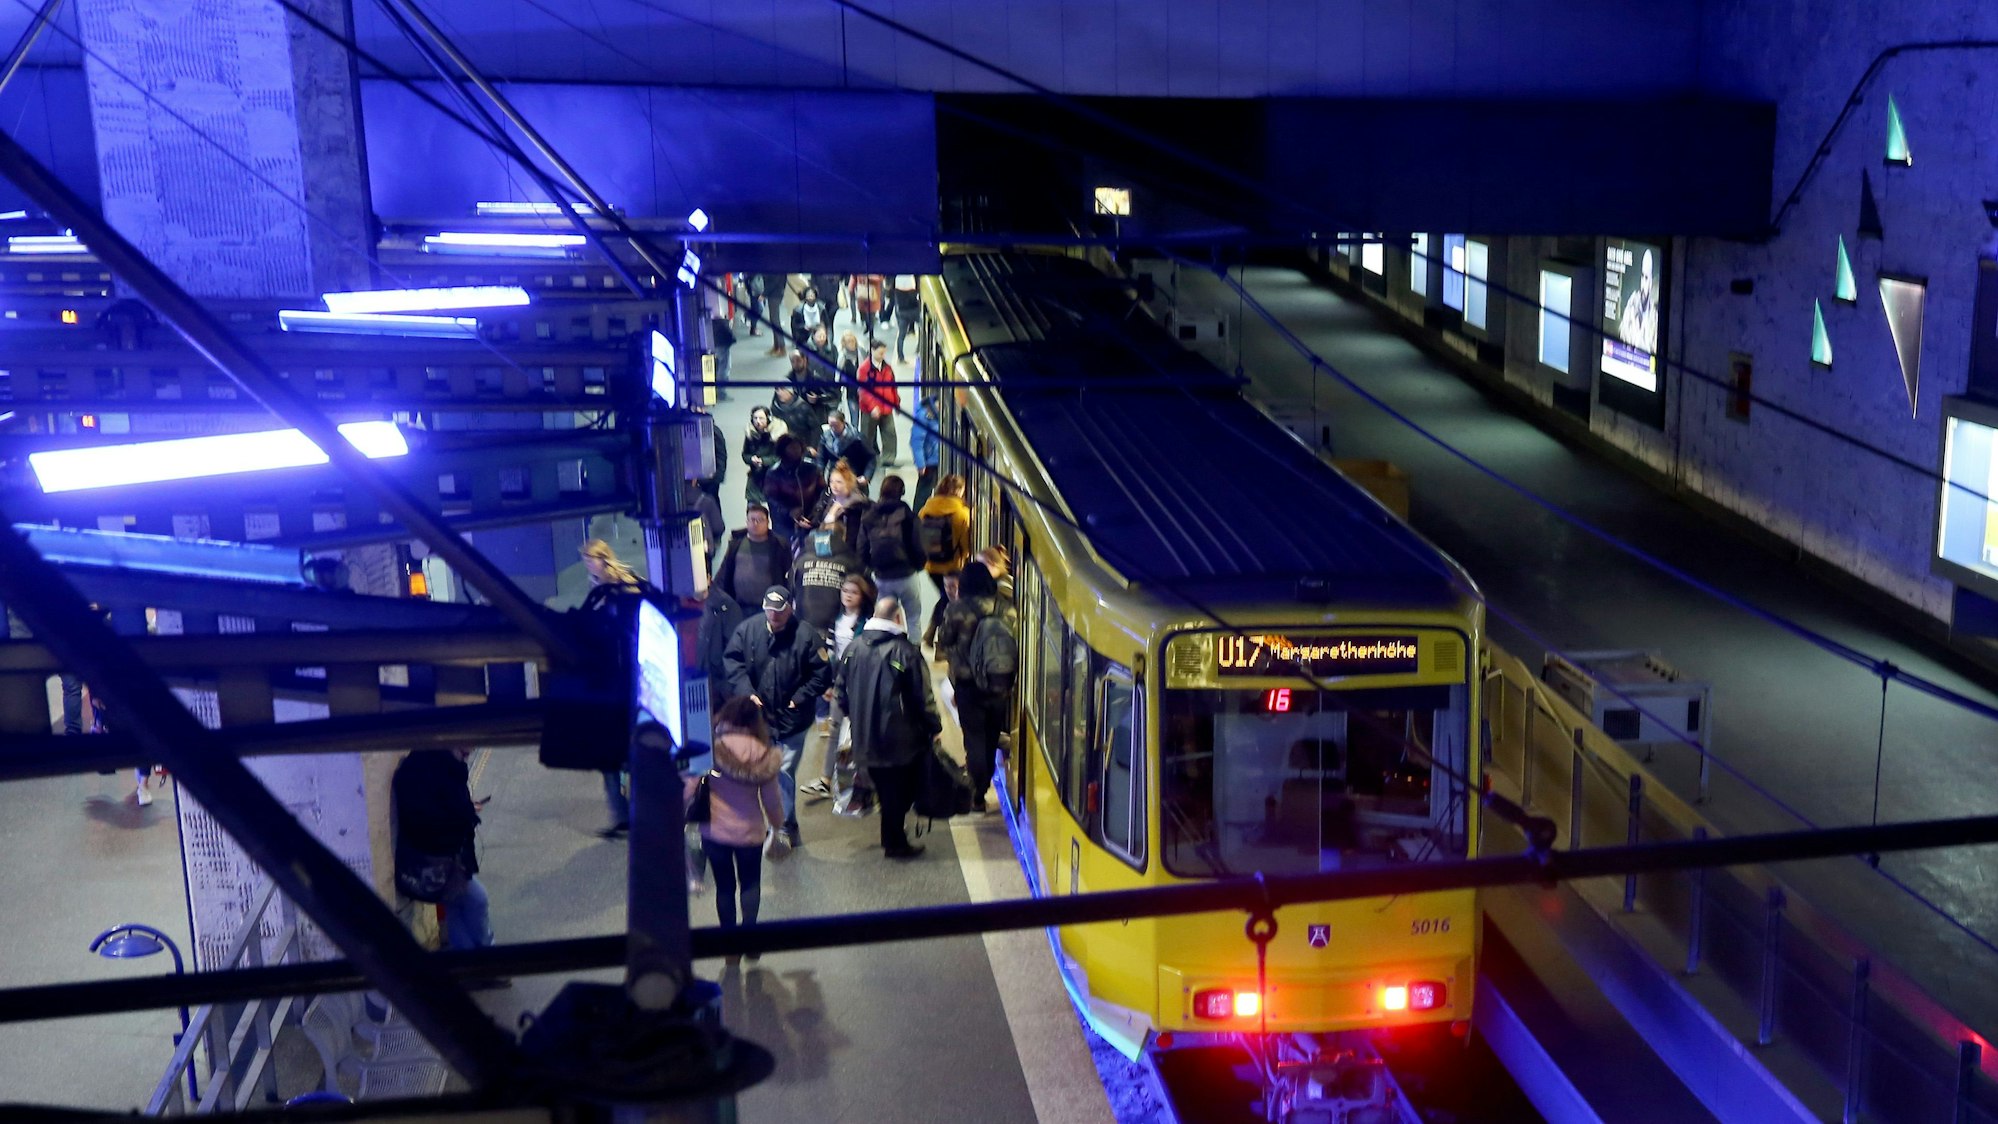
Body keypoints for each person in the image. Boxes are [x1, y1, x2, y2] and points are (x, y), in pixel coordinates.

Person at [722, 586, 830, 845]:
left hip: (792, 721)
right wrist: (746, 692)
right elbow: (733, 662)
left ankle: (784, 826)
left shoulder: (806, 637)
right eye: (769, 609)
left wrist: (799, 698)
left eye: (779, 610)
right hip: (759, 720)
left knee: (783, 771)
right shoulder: (748, 630)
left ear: (790, 608)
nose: (773, 615)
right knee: (759, 770)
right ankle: (772, 821)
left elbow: (822, 673)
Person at [840, 595, 944, 858]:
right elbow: (922, 697)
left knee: (888, 790)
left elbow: (841, 694)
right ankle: (895, 843)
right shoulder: (906, 651)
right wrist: (933, 726)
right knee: (898, 792)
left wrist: (858, 716)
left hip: (864, 736)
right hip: (899, 739)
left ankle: (893, 839)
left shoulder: (853, 649)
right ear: (898, 618)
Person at [690, 696, 787, 946]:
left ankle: (730, 947)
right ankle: (750, 939)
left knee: (724, 889)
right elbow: (772, 801)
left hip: (715, 832)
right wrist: (777, 825)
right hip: (750, 832)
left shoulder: (712, 748)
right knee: (750, 885)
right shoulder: (762, 752)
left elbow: (688, 788)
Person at [392, 747, 495, 953]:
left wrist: (465, 808)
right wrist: (465, 815)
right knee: (478, 900)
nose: (470, 752)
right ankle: (489, 959)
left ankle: (468, 966)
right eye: (465, 749)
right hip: (439, 861)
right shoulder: (436, 768)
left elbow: (445, 804)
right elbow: (432, 815)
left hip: (442, 860)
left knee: (455, 907)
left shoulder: (439, 765)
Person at [936, 561, 1017, 813]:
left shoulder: (956, 610)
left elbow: (944, 640)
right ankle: (982, 782)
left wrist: (957, 655)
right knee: (991, 735)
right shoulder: (1006, 609)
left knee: (974, 737)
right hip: (998, 682)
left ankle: (978, 793)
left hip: (968, 684)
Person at [579, 540, 647, 835]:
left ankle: (638, 810)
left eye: (590, 560)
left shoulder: (626, 587)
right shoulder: (595, 587)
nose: (587, 566)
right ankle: (622, 814)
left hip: (629, 677)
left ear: (603, 559)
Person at [801, 572, 874, 801]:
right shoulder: (836, 620)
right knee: (835, 731)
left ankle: (866, 782)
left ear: (863, 596)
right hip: (840, 683)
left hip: (861, 685)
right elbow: (831, 655)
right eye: (845, 591)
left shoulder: (868, 623)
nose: (848, 596)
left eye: (854, 592)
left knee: (861, 733)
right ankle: (825, 780)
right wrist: (828, 683)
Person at [916, 473, 973, 647]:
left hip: (931, 565)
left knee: (944, 597)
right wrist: (965, 557)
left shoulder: (925, 509)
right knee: (948, 600)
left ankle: (931, 632)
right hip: (952, 565)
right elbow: (965, 544)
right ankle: (940, 641)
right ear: (958, 491)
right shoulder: (962, 513)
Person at [860, 475, 925, 620]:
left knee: (884, 617)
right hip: (907, 574)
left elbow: (862, 548)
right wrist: (917, 566)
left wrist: (872, 566)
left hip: (882, 576)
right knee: (913, 617)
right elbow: (918, 545)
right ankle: (914, 642)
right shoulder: (909, 516)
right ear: (901, 492)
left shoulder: (869, 516)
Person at [714, 504, 795, 616]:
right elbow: (724, 572)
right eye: (752, 520)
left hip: (769, 609)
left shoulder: (779, 546)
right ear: (747, 522)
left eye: (760, 520)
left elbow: (789, 576)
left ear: (768, 522)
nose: (755, 524)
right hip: (738, 607)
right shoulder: (736, 544)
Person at [787, 517, 865, 632]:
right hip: (835, 626)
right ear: (843, 536)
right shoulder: (851, 561)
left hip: (803, 622)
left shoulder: (801, 558)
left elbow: (791, 587)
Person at [762, 435, 823, 550]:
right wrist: (790, 512)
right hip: (785, 525)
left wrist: (817, 513)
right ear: (783, 450)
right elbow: (772, 500)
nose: (796, 450)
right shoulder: (774, 473)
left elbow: (823, 493)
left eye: (798, 447)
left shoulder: (812, 468)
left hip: (811, 521)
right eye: (791, 447)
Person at [806, 459, 873, 550]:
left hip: (846, 549)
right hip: (827, 545)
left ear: (848, 483)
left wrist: (835, 509)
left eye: (839, 482)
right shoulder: (829, 497)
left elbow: (853, 537)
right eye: (831, 481)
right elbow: (820, 518)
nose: (834, 485)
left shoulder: (856, 505)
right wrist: (810, 522)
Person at [857, 340, 899, 467]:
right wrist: (872, 407)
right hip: (870, 410)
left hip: (886, 407)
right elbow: (864, 391)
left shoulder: (887, 368)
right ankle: (866, 458)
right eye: (880, 353)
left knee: (890, 433)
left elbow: (893, 386)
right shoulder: (864, 369)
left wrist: (896, 402)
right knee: (867, 435)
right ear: (872, 350)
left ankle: (888, 458)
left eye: (884, 353)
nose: (883, 356)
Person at [817, 410, 876, 487]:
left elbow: (870, 457)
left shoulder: (857, 438)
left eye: (836, 425)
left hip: (854, 477)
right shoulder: (825, 437)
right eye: (831, 426)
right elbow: (821, 458)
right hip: (835, 478)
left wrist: (866, 476)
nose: (833, 429)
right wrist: (820, 475)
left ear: (843, 423)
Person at [741, 406, 782, 507]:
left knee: (776, 512)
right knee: (752, 509)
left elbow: (780, 457)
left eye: (761, 418)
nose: (758, 421)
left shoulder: (778, 434)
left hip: (773, 478)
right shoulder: (751, 434)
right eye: (755, 418)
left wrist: (763, 461)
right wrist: (751, 459)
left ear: (768, 418)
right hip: (755, 477)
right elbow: (745, 454)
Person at [911, 393, 942, 509]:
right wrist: (921, 464)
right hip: (929, 462)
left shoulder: (941, 414)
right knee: (924, 492)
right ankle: (917, 516)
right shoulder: (924, 416)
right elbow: (916, 441)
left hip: (939, 459)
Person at [770, 385, 817, 450]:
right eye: (777, 389)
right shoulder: (775, 408)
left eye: (782, 389)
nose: (779, 392)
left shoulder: (803, 407)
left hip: (803, 445)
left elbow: (815, 429)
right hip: (783, 446)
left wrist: (813, 446)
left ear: (790, 392)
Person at [891, 275, 921, 362]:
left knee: (901, 336)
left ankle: (900, 357)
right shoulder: (911, 283)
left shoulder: (897, 285)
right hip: (913, 311)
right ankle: (919, 349)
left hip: (902, 312)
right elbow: (914, 299)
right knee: (923, 329)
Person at [848, 273, 886, 340]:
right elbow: (854, 276)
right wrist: (851, 287)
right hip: (863, 292)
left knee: (871, 315)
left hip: (873, 294)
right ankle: (868, 326)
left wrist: (869, 277)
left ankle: (871, 333)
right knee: (864, 313)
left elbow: (880, 278)